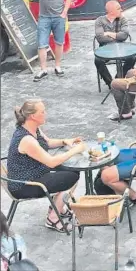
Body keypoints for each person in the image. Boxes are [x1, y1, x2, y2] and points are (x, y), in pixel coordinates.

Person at [6, 100, 85, 233]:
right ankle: (53, 219)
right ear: (33, 116)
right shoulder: (26, 139)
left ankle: (56, 207)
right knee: (71, 177)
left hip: (36, 172)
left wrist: (65, 141)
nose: (45, 114)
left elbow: (47, 143)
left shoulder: (32, 128)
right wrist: (75, 151)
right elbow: (51, 162)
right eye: (42, 112)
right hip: (24, 184)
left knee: (72, 172)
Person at [28, 0, 73, 82]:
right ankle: (43, 69)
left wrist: (64, 12)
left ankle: (57, 66)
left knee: (59, 42)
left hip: (59, 16)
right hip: (44, 16)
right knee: (42, 44)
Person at [94, 0, 134, 88]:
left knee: (132, 58)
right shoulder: (100, 20)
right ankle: (110, 83)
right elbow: (100, 38)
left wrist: (109, 33)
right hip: (105, 49)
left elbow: (124, 35)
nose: (121, 10)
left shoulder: (123, 19)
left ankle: (118, 79)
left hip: (121, 47)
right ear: (111, 11)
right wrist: (117, 36)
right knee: (98, 61)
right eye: (119, 8)